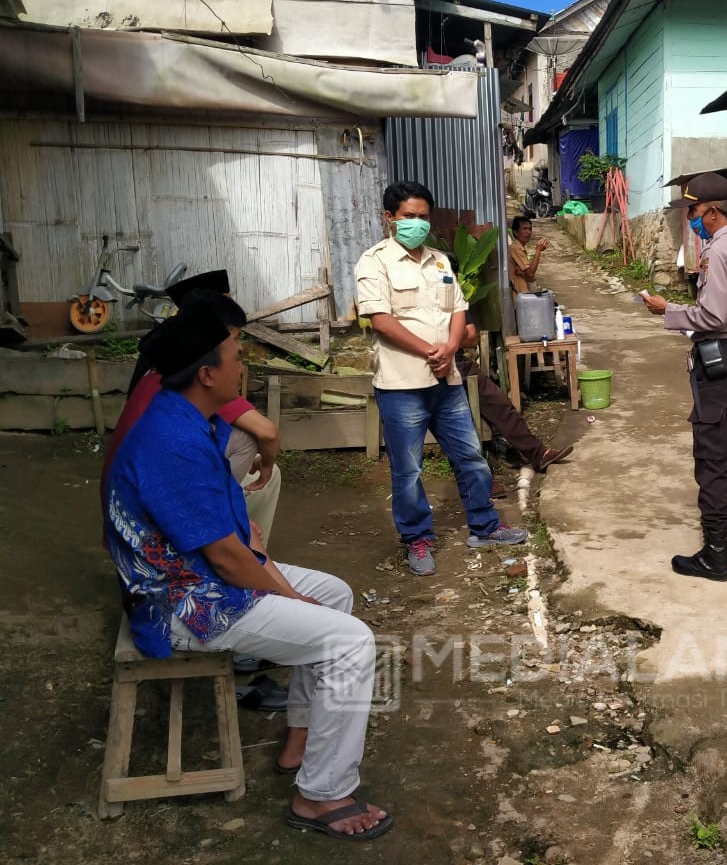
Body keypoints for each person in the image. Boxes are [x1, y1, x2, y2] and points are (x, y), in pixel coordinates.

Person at [102, 308, 392, 841]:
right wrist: (285, 594)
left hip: (203, 577)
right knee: (351, 642)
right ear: (207, 374)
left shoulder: (190, 418)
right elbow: (227, 559)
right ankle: (322, 795)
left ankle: (303, 739)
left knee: (336, 593)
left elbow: (239, 537)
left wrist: (272, 571)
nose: (244, 368)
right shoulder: (172, 442)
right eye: (237, 357)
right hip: (179, 604)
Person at [355, 181, 527, 577]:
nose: (417, 224)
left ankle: (484, 527)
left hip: (445, 380)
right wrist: (429, 351)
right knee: (408, 469)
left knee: (470, 455)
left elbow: (458, 313)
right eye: (408, 217)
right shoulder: (374, 262)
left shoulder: (439, 261)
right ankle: (417, 538)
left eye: (423, 217)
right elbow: (379, 319)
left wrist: (449, 350)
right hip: (401, 385)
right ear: (389, 218)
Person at [642, 172, 727, 580]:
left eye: (693, 211)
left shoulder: (717, 253)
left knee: (712, 458)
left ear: (712, 211)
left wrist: (670, 312)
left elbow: (712, 315)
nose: (691, 220)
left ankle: (715, 553)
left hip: (720, 364)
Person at [106, 279, 282, 544]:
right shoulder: (193, 385)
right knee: (249, 443)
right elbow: (267, 432)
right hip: (149, 535)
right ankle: (242, 543)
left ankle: (245, 544)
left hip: (127, 509)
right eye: (234, 340)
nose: (241, 355)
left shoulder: (166, 369)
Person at [455, 312, 573, 473]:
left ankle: (538, 454)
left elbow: (470, 337)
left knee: (501, 405)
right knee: (457, 426)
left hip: (458, 364)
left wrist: (449, 335)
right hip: (425, 371)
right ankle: (479, 481)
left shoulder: (449, 293)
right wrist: (452, 332)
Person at [508, 215, 548, 295]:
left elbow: (529, 277)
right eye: (525, 229)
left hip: (523, 295)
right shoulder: (516, 248)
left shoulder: (519, 248)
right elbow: (530, 273)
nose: (528, 232)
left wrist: (523, 273)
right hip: (519, 295)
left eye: (530, 229)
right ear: (515, 232)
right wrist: (538, 251)